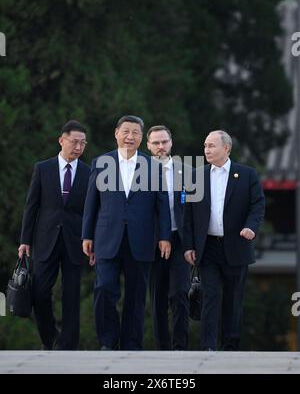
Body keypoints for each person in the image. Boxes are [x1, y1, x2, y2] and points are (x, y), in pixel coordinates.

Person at [82, 115, 171, 351]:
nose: (130, 137)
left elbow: (161, 205)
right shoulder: (102, 162)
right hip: (106, 238)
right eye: (126, 132)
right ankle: (107, 342)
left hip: (141, 240)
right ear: (116, 133)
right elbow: (91, 203)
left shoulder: (153, 166)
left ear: (142, 138)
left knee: (136, 294)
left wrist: (164, 237)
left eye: (135, 133)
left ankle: (132, 344)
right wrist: (87, 235)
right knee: (104, 289)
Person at [183, 130, 265, 351]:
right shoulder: (196, 176)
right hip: (207, 247)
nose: (206, 150)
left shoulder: (247, 174)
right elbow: (188, 214)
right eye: (205, 146)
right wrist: (188, 245)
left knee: (233, 298)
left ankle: (230, 346)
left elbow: (257, 205)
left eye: (211, 146)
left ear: (226, 148)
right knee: (210, 295)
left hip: (236, 247)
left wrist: (251, 227)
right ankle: (208, 346)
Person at [18, 120, 90, 350]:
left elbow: (93, 211)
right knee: (39, 292)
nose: (78, 147)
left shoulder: (89, 173)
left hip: (75, 241)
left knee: (71, 296)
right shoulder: (43, 168)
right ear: (62, 140)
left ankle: (68, 346)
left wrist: (92, 241)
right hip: (46, 239)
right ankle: (50, 339)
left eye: (82, 143)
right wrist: (25, 240)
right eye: (74, 142)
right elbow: (32, 206)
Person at [147, 125, 190, 350]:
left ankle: (180, 347)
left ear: (171, 142)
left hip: (180, 241)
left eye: (164, 141)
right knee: (157, 298)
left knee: (180, 292)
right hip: (151, 242)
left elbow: (195, 211)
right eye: (156, 143)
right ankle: (161, 347)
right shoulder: (140, 172)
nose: (161, 146)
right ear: (148, 146)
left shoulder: (188, 171)